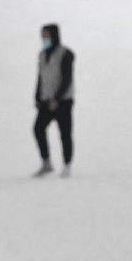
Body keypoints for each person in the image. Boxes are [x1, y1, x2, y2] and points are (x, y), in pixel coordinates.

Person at [33, 25, 75, 178]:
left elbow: (67, 78)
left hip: (63, 101)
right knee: (38, 129)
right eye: (42, 36)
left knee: (65, 133)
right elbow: (40, 77)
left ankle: (67, 165)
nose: (44, 39)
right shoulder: (42, 55)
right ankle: (46, 162)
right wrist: (37, 97)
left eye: (47, 36)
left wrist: (57, 98)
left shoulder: (66, 54)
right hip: (45, 99)